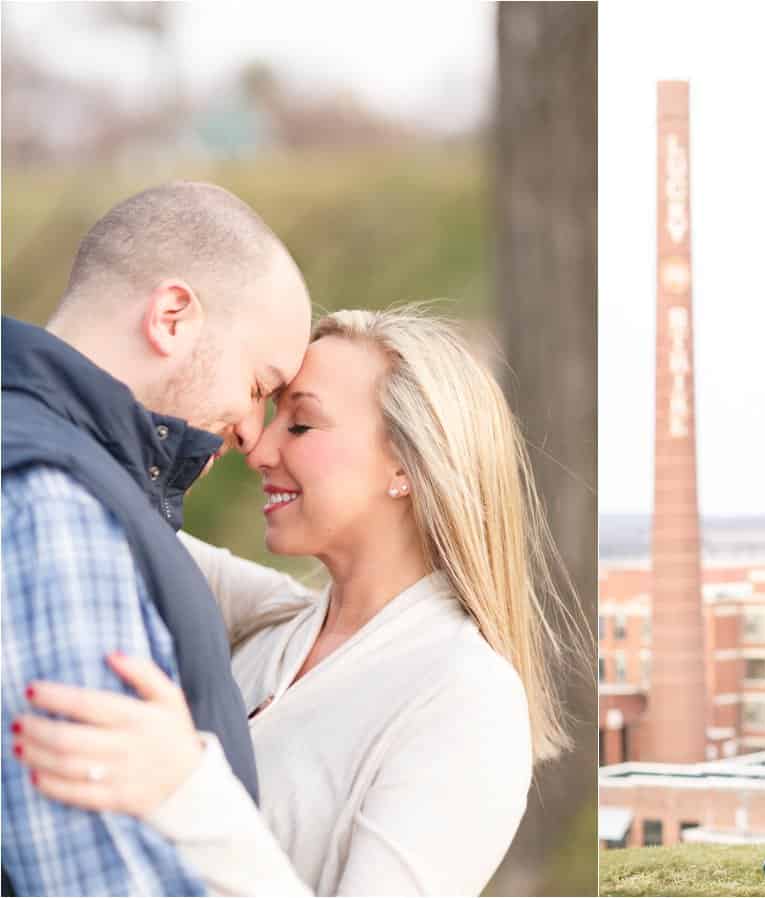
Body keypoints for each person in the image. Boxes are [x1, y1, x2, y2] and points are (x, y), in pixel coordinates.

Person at [12, 307, 587, 896]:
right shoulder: (284, 620)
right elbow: (98, 509)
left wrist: (186, 788)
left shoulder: (467, 697)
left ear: (406, 464)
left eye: (302, 425)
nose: (257, 447)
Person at [2, 182, 312, 895]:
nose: (251, 431)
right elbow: (91, 872)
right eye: (260, 383)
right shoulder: (54, 505)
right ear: (172, 316)